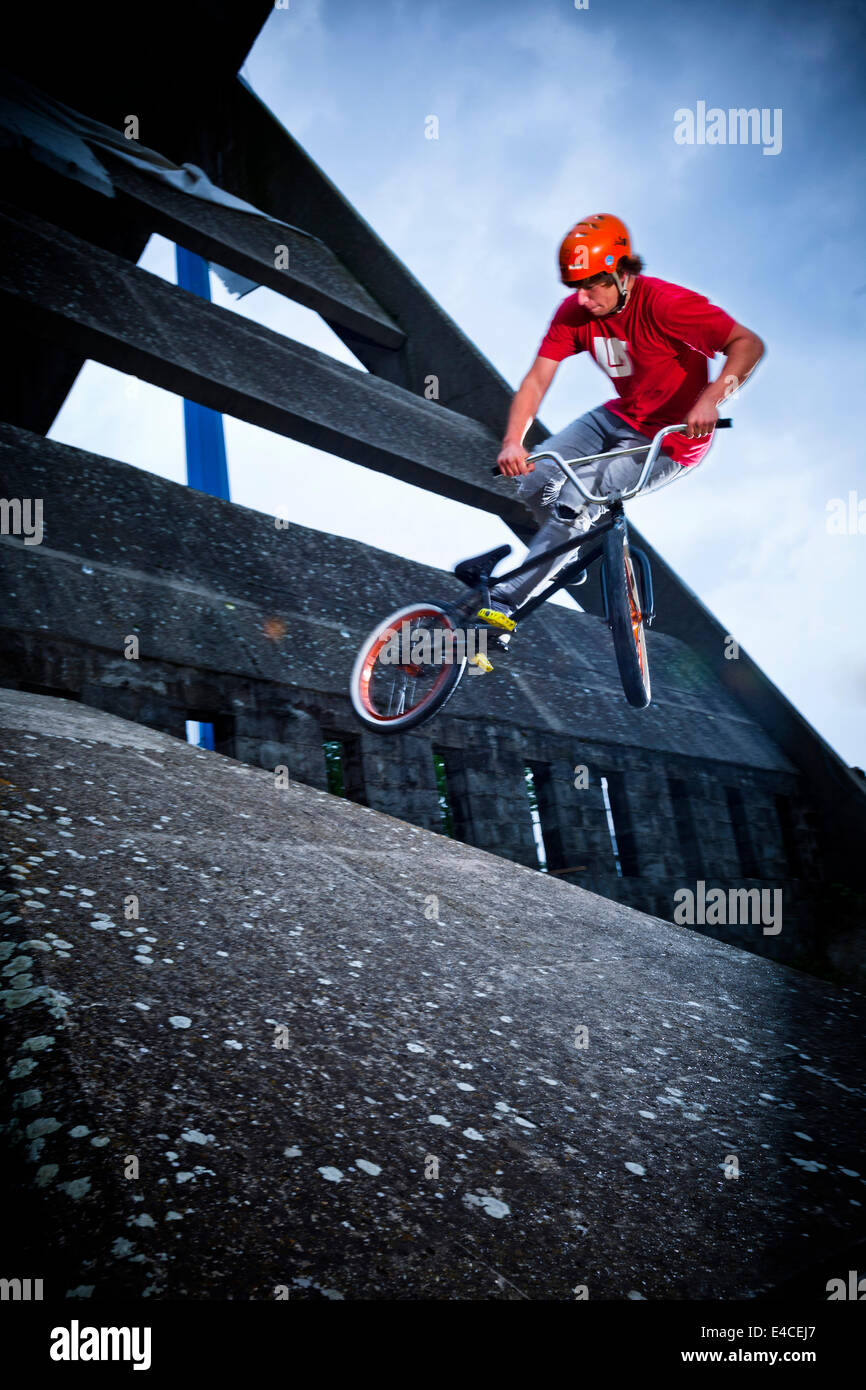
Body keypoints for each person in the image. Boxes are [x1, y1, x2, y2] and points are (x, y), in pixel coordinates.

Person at [482, 213, 764, 636]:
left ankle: (504, 604)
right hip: (616, 415)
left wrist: (710, 399)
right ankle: (566, 552)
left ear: (622, 273)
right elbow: (537, 379)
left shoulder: (667, 305)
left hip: (669, 441)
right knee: (535, 479)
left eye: (592, 285)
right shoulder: (575, 312)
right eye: (575, 288)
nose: (582, 299)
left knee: (577, 500)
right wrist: (512, 442)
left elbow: (747, 344)